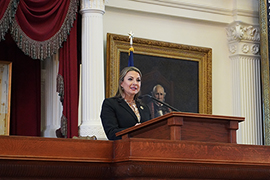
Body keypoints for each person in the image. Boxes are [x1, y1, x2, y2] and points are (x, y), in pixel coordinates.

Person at [100, 66, 151, 140]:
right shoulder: (110, 104)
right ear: (121, 83)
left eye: (138, 80)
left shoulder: (144, 107)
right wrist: (133, 130)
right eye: (130, 79)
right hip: (123, 148)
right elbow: (111, 133)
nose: (135, 83)